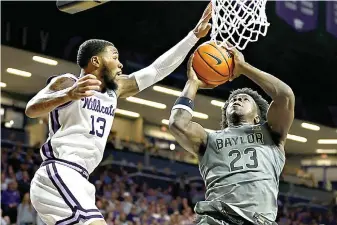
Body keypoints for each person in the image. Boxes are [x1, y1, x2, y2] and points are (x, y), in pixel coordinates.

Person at [25, 4, 212, 225]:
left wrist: (193, 36)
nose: (121, 63)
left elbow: (156, 70)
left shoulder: (115, 90)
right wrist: (69, 94)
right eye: (115, 57)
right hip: (59, 172)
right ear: (96, 60)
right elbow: (32, 108)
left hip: (80, 179)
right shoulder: (68, 82)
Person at [169, 47, 295, 225]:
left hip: (258, 221)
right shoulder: (209, 138)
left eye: (244, 99)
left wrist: (243, 68)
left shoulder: (271, 134)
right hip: (217, 220)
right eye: (233, 100)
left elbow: (285, 96)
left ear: (258, 116)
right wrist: (192, 83)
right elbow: (177, 123)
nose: (236, 100)